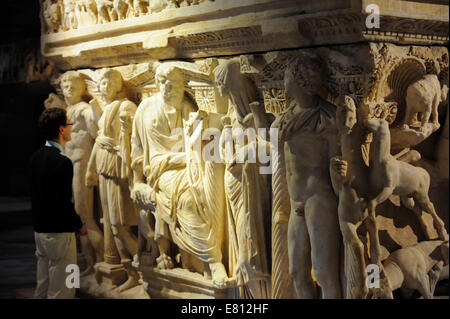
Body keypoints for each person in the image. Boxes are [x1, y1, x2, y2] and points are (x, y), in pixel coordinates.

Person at [30, 107, 88, 299]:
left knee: (43, 286)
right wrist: (79, 224)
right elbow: (63, 201)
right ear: (62, 130)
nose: (72, 128)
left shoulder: (36, 158)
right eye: (70, 124)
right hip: (60, 234)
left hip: (40, 232)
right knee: (65, 289)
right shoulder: (62, 162)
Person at [61, 71, 104, 276]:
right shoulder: (68, 109)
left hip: (81, 164)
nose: (69, 90)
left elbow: (96, 129)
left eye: (73, 87)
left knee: (85, 215)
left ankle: (102, 262)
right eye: (65, 87)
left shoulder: (83, 108)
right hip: (69, 164)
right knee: (78, 217)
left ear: (82, 89)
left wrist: (96, 108)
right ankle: (89, 263)